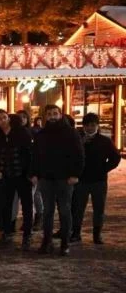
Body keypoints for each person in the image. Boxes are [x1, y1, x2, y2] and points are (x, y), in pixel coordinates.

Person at [32, 105, 85, 256]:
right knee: (47, 211)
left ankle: (65, 243)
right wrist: (34, 173)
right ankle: (46, 242)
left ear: (60, 115)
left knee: (64, 211)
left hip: (65, 179)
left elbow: (79, 155)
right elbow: (35, 156)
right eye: (49, 114)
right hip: (46, 178)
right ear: (45, 116)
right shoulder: (41, 134)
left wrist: (75, 174)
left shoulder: (71, 133)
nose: (52, 116)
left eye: (55, 113)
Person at [71, 113, 120, 244]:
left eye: (93, 125)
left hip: (99, 180)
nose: (90, 128)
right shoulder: (78, 140)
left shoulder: (104, 141)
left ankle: (97, 234)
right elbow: (70, 156)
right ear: (83, 126)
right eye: (87, 125)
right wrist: (81, 144)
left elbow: (115, 157)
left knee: (99, 208)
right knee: (78, 208)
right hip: (81, 180)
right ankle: (76, 233)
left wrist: (104, 168)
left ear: (97, 126)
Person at [0, 110, 34, 250]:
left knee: (27, 205)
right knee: (6, 204)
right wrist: (0, 168)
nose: (2, 120)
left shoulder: (21, 133)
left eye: (4, 117)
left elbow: (30, 153)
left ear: (8, 118)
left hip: (22, 175)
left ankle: (27, 234)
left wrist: (30, 172)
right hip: (7, 176)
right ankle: (7, 231)